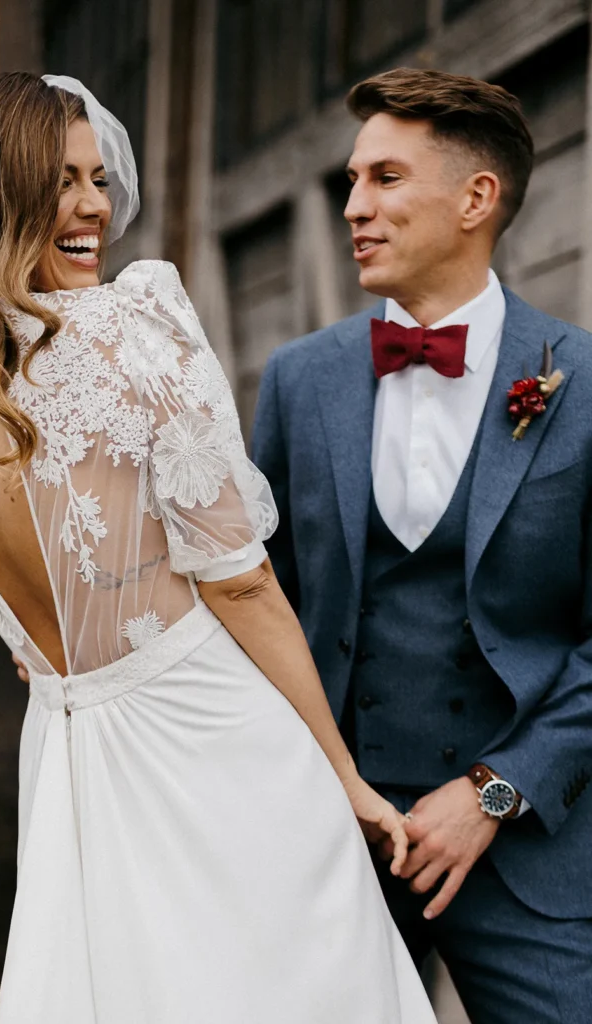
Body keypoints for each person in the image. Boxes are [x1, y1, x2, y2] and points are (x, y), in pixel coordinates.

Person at [0, 71, 435, 1022]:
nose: (94, 207)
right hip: (208, 743)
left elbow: (35, 599)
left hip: (71, 752)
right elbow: (242, 583)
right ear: (1, 186)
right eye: (63, 178)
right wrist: (343, 776)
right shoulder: (128, 325)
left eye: (100, 179)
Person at [253, 66, 592, 1023]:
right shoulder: (297, 381)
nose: (353, 207)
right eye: (353, 180)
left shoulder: (584, 386)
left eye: (385, 179)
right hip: (328, 846)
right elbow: (250, 592)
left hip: (530, 855)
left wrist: (490, 794)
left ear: (475, 198)